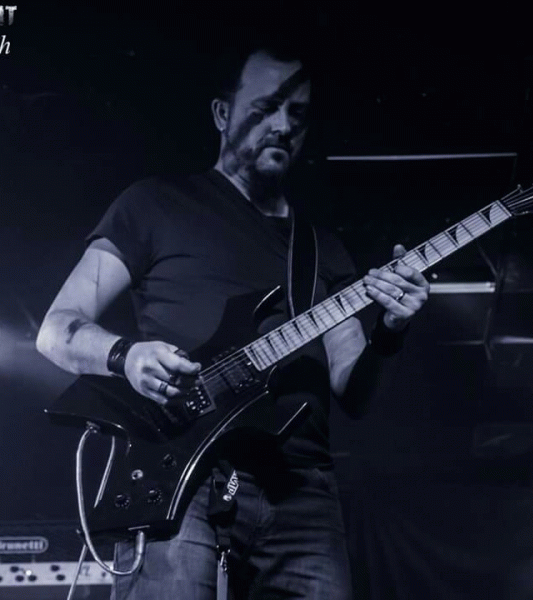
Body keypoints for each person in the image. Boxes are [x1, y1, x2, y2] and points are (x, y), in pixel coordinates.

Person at [36, 44, 430, 600]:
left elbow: (353, 390)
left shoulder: (321, 248)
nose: (283, 126)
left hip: (301, 488)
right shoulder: (154, 204)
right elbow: (56, 329)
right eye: (266, 108)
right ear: (222, 114)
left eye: (297, 114)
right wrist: (127, 356)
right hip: (181, 472)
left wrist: (391, 331)